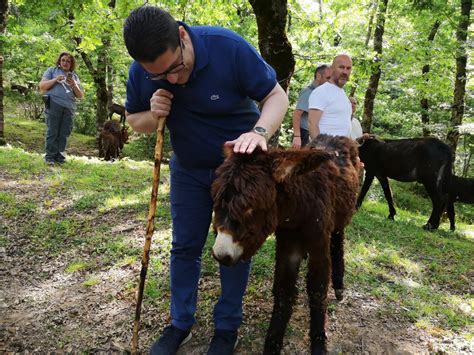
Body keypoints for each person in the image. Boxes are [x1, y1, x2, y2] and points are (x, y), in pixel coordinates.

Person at [123, 6, 288, 355]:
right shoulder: (143, 70)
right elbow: (135, 121)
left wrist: (259, 132)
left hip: (236, 172)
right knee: (185, 246)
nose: (172, 80)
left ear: (183, 36)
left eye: (175, 69)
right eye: (158, 76)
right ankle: (180, 323)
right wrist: (153, 114)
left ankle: (226, 327)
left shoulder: (227, 47)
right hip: (187, 169)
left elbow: (276, 96)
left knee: (235, 248)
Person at [39, 52, 84, 165]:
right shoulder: (52, 71)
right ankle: (50, 156)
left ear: (71, 64)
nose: (65, 63)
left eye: (68, 61)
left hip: (69, 107)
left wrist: (74, 84)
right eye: (63, 60)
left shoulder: (74, 77)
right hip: (54, 103)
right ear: (59, 61)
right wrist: (55, 80)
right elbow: (42, 86)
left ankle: (60, 156)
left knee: (64, 132)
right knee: (52, 130)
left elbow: (80, 95)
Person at [308, 54, 352, 139]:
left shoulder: (342, 93)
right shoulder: (321, 91)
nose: (345, 72)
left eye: (348, 68)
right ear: (332, 69)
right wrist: (320, 149)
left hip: (342, 150)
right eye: (341, 67)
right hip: (326, 150)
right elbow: (312, 124)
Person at [291, 64, 332, 148]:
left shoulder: (320, 93)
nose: (330, 81)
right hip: (303, 133)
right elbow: (296, 114)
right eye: (328, 78)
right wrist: (297, 137)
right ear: (318, 76)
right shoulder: (309, 92)